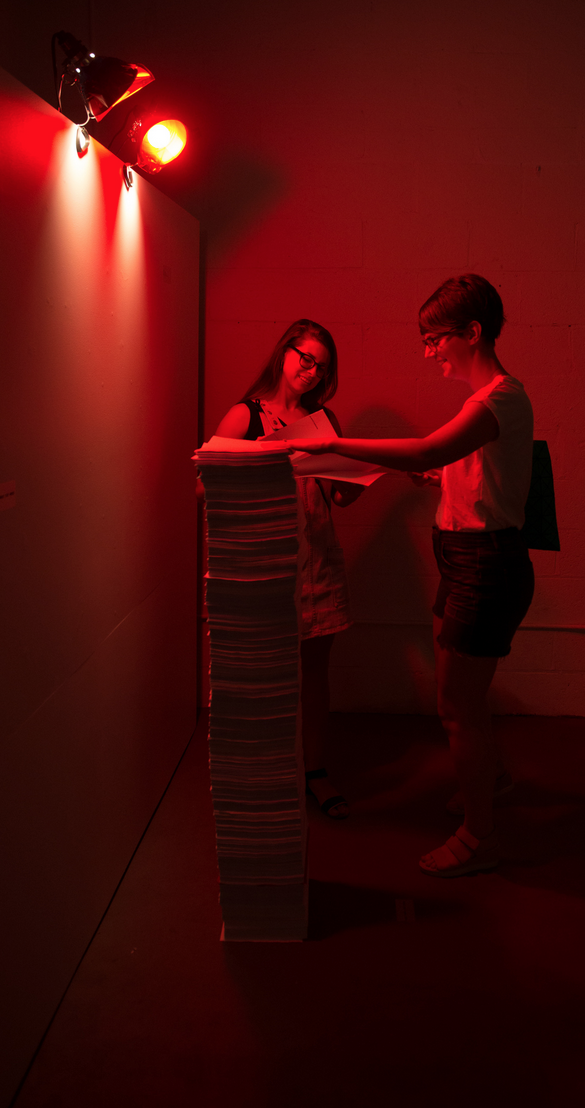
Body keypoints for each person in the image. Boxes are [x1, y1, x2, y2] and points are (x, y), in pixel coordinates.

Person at [283, 275, 534, 876]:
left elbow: (426, 450)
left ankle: (479, 835)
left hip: (485, 564)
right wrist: (442, 478)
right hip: (464, 556)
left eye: (434, 339)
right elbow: (470, 475)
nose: (430, 352)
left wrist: (335, 445)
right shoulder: (486, 403)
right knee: (465, 695)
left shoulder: (497, 399)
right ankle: (490, 780)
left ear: (471, 333)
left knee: (455, 706)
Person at [215, 319, 363, 819]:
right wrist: (261, 456)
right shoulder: (245, 415)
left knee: (314, 674)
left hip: (317, 558)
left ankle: (314, 772)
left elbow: (340, 496)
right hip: (263, 563)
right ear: (285, 352)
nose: (312, 371)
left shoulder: (325, 420)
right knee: (262, 676)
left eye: (321, 365)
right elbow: (202, 487)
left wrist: (360, 478)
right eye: (306, 357)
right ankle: (266, 776)